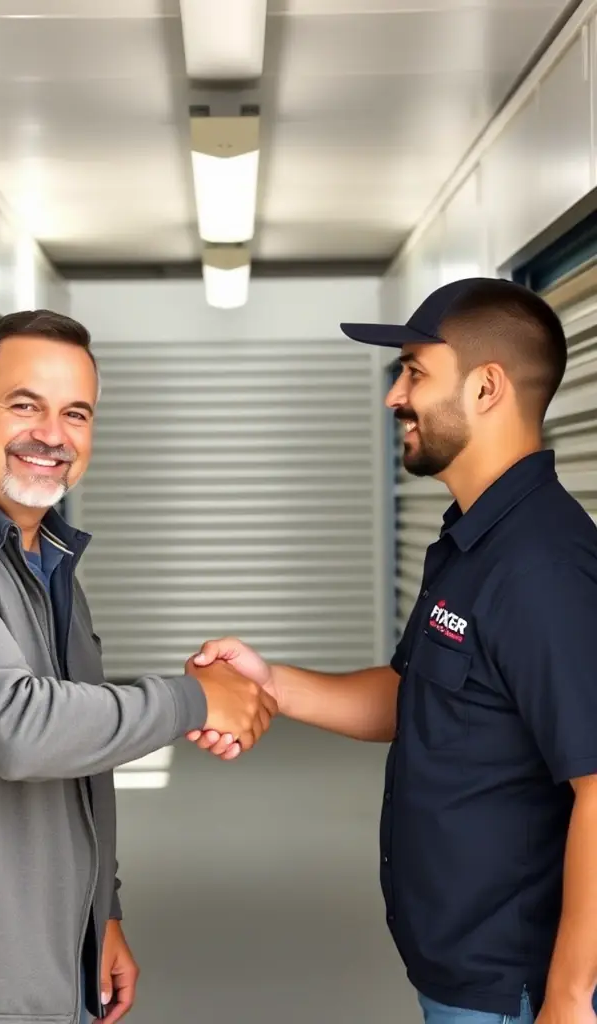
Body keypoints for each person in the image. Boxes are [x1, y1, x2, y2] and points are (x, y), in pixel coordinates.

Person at [0, 309, 277, 1024]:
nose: (52, 434)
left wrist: (102, 914)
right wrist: (195, 700)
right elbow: (16, 728)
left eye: (76, 413)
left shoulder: (43, 554)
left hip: (42, 964)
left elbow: (79, 749)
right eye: (25, 405)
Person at [188, 278, 597, 1024]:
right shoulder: (473, 540)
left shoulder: (542, 567)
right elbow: (418, 698)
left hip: (517, 987)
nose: (393, 397)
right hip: (460, 969)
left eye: (414, 371)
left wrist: (569, 999)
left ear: (486, 388)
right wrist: (271, 681)